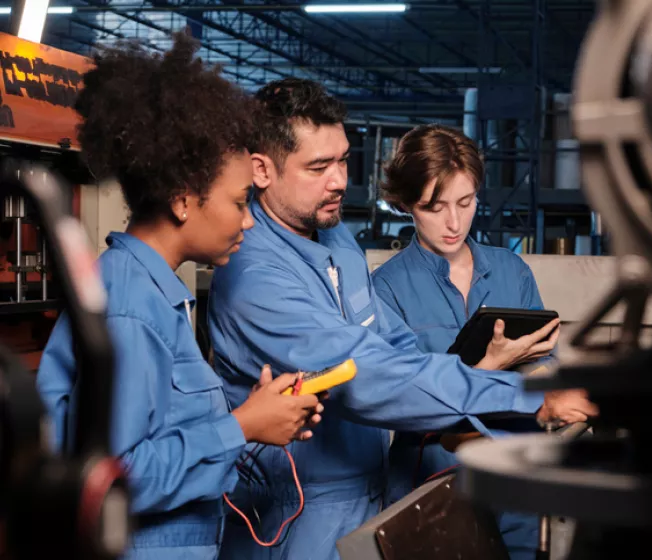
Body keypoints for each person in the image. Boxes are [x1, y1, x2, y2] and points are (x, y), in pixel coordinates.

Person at [207, 77, 596, 560]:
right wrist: (523, 396)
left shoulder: (334, 240)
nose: (339, 181)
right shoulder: (255, 276)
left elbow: (397, 348)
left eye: (343, 159)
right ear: (261, 169)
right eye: (318, 166)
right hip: (299, 511)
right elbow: (367, 374)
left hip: (366, 494)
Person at [34, 34, 323, 560]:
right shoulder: (129, 308)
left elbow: (159, 429)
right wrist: (242, 427)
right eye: (239, 202)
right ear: (184, 200)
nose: (247, 220)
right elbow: (114, 480)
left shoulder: (147, 291)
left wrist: (256, 415)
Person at [371, 123, 584, 559]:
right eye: (435, 206)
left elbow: (547, 372)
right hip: (431, 488)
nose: (454, 222)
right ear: (406, 203)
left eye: (465, 203)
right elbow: (402, 401)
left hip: (516, 484)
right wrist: (492, 365)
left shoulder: (511, 271)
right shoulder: (384, 289)